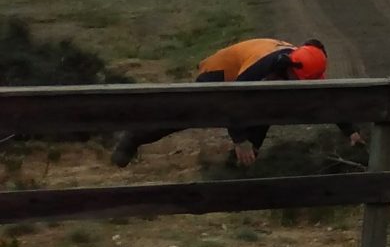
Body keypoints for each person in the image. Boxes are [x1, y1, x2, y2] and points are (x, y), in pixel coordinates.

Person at [110, 37, 355, 168]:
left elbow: (324, 98)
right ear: (290, 71)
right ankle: (133, 138)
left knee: (264, 111)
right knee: (187, 114)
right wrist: (240, 139)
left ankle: (233, 168)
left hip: (244, 82)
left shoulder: (302, 66)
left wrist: (351, 131)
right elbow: (231, 99)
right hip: (220, 72)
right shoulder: (263, 68)